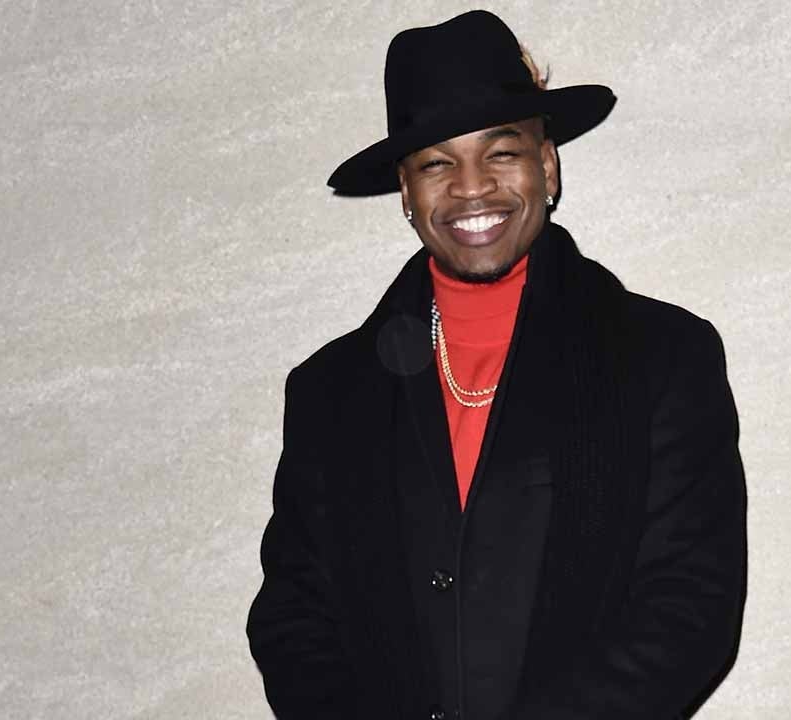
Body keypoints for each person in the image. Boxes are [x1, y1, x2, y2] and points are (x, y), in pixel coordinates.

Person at [247, 10, 746, 720]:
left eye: (501, 152)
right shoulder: (329, 394)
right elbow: (294, 618)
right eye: (436, 163)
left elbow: (690, 605)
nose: (471, 187)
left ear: (547, 165)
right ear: (407, 193)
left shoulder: (662, 358)